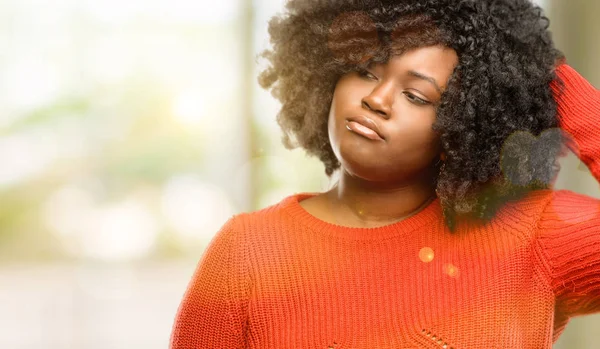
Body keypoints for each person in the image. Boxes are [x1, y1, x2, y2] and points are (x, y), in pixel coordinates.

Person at [169, 0, 600, 348]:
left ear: (468, 120)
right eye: (364, 71)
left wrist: (541, 73)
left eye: (415, 95)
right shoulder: (246, 252)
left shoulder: (533, 238)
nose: (376, 98)